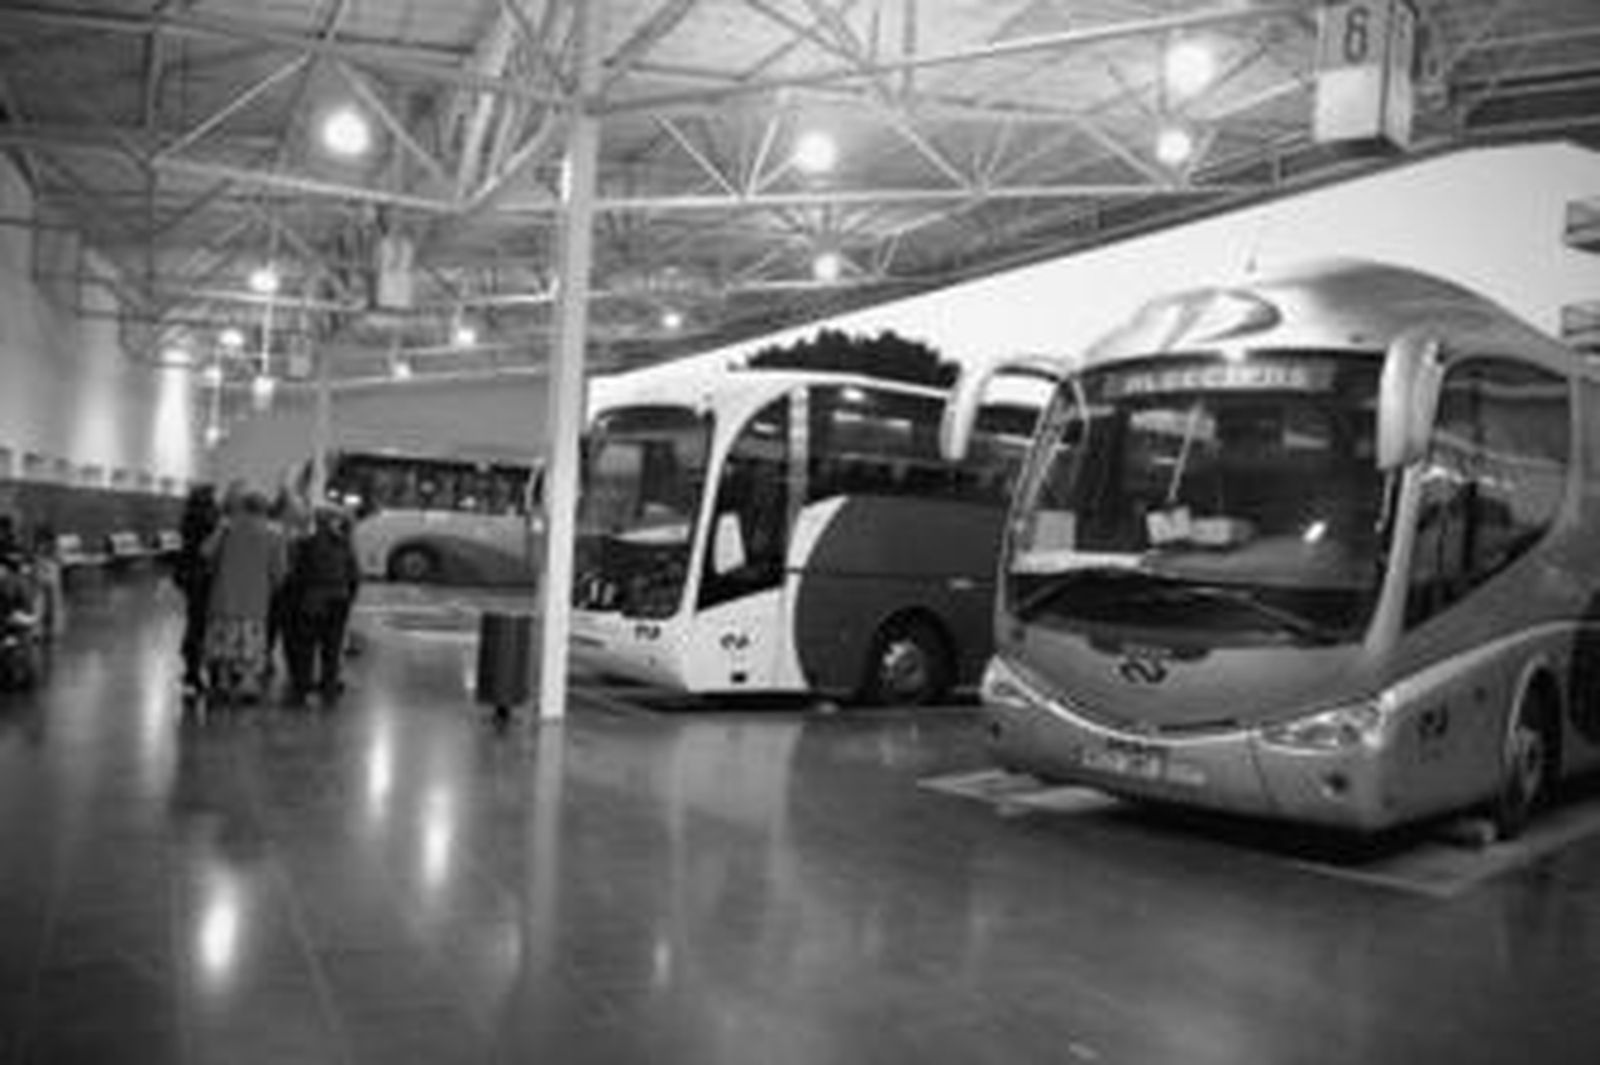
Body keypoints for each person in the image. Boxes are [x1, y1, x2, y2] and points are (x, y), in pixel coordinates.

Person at [202, 489, 286, 704]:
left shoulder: (227, 529)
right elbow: (279, 571)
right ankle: (247, 685)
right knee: (250, 645)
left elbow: (205, 552)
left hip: (224, 598)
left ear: (243, 506)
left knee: (223, 644)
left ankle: (221, 683)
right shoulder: (273, 535)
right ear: (265, 509)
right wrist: (275, 586)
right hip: (255, 601)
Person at [284, 507, 360, 707]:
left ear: (316, 523)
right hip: (339, 599)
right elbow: (354, 575)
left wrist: (297, 599)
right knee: (332, 647)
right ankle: (329, 687)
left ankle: (301, 688)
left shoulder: (306, 545)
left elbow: (296, 575)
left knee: (306, 645)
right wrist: (349, 597)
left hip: (312, 599)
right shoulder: (344, 544)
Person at [173, 485, 220, 697]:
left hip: (189, 576)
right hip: (203, 577)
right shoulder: (208, 518)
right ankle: (197, 672)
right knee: (201, 624)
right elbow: (208, 550)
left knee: (194, 622)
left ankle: (191, 670)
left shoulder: (187, 517)